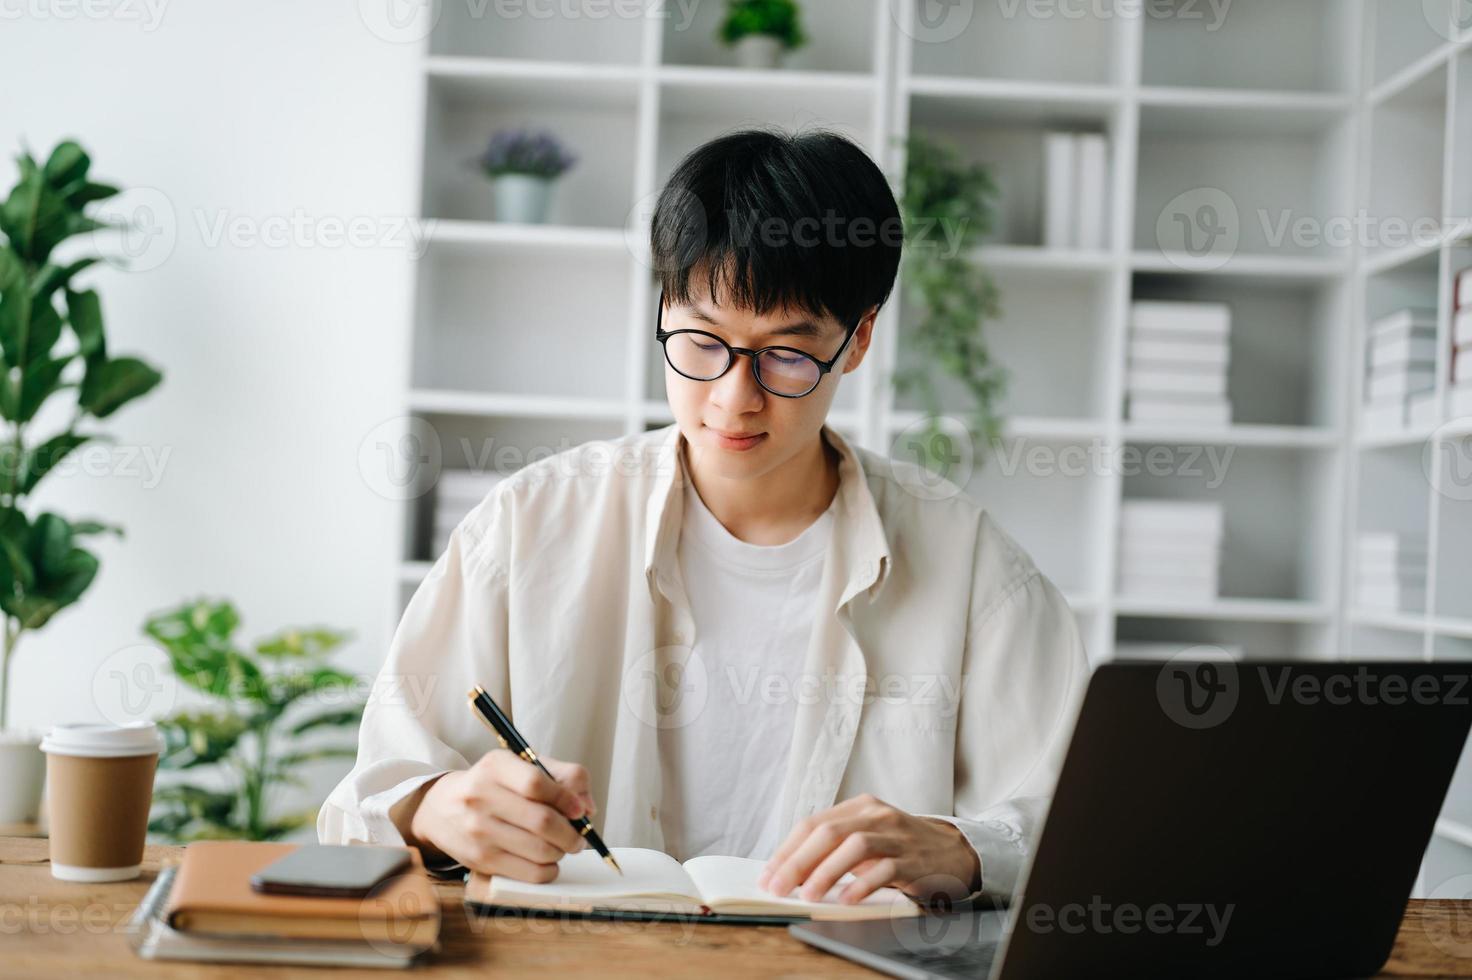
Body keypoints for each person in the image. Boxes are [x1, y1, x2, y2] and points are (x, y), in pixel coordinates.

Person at [320, 127, 1088, 907]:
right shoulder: (527, 528)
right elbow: (364, 803)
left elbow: (1082, 831)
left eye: (786, 355)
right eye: (700, 341)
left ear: (857, 340)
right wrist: (436, 810)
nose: (733, 397)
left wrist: (965, 848)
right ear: (662, 308)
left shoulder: (970, 566)